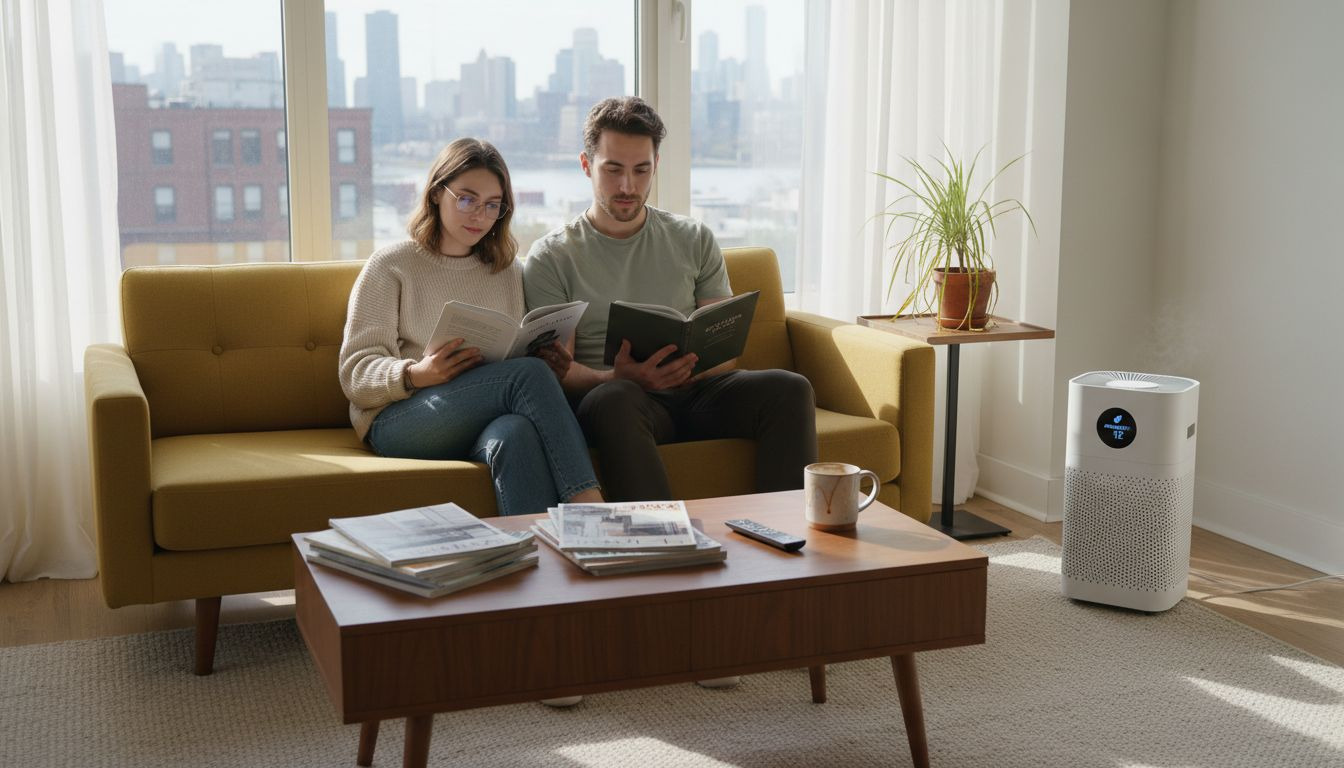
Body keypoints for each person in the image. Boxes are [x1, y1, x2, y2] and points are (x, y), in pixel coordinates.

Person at [523, 96, 818, 504]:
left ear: (655, 165)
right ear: (586, 165)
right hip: (617, 400)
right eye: (613, 170)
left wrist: (686, 367)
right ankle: (659, 544)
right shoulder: (552, 256)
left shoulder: (693, 238)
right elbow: (559, 371)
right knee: (615, 400)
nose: (627, 186)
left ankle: (786, 538)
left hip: (695, 393)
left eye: (641, 170)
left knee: (789, 388)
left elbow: (725, 351)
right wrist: (619, 377)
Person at [338, 138, 603, 519]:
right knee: (525, 377)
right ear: (435, 195)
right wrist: (416, 374)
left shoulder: (508, 272)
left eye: (492, 205)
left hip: (483, 417)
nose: (478, 215)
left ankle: (536, 560)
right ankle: (592, 510)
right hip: (401, 419)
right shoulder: (391, 266)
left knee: (516, 432)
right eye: (466, 199)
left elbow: (515, 358)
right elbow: (354, 374)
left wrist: (547, 353)